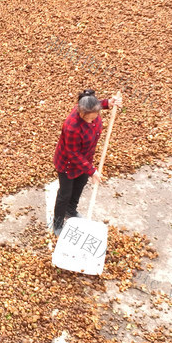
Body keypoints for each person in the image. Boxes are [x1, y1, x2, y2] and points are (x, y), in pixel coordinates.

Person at [51, 89, 123, 234]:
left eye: (95, 116)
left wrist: (109, 103)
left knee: (80, 185)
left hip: (86, 159)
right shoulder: (72, 127)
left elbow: (97, 105)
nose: (93, 120)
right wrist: (92, 171)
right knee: (65, 193)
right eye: (89, 119)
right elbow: (73, 154)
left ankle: (71, 210)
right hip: (68, 163)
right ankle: (57, 223)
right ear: (81, 113)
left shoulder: (91, 109)